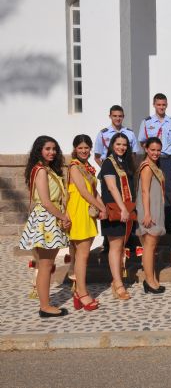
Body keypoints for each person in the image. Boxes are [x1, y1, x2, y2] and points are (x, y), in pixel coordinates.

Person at [19, 136, 71, 318]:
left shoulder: (47, 169)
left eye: (54, 149)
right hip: (47, 218)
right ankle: (45, 306)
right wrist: (63, 216)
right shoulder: (41, 170)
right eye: (47, 148)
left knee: (46, 265)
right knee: (46, 265)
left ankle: (45, 304)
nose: (52, 152)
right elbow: (47, 202)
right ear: (39, 150)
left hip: (50, 217)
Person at [67, 135, 106, 311]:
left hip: (88, 210)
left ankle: (78, 291)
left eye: (87, 148)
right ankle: (82, 293)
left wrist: (104, 207)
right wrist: (101, 207)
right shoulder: (74, 166)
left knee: (83, 253)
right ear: (75, 148)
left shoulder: (87, 167)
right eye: (81, 147)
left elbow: (94, 191)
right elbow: (83, 191)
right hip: (79, 210)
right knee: (82, 255)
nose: (84, 151)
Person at [98, 133, 137, 300]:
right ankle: (118, 283)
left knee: (120, 246)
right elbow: (112, 188)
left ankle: (117, 279)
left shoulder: (124, 163)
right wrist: (123, 209)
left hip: (125, 209)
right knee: (115, 247)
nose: (121, 147)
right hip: (115, 209)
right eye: (118, 144)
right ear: (112, 145)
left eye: (124, 145)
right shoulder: (108, 163)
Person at [139, 93, 171, 230]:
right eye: (158, 104)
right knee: (152, 190)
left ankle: (168, 222)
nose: (161, 107)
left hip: (168, 160)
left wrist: (166, 152)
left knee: (168, 190)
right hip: (153, 161)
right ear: (154, 105)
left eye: (163, 104)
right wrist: (152, 156)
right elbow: (143, 142)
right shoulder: (147, 122)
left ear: (167, 105)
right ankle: (153, 218)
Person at [135, 137, 166, 294]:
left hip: (154, 207)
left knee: (151, 246)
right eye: (152, 149)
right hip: (149, 209)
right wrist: (147, 213)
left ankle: (152, 278)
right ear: (146, 149)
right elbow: (145, 191)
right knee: (149, 246)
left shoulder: (154, 165)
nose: (155, 153)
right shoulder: (147, 167)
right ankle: (149, 280)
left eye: (158, 150)